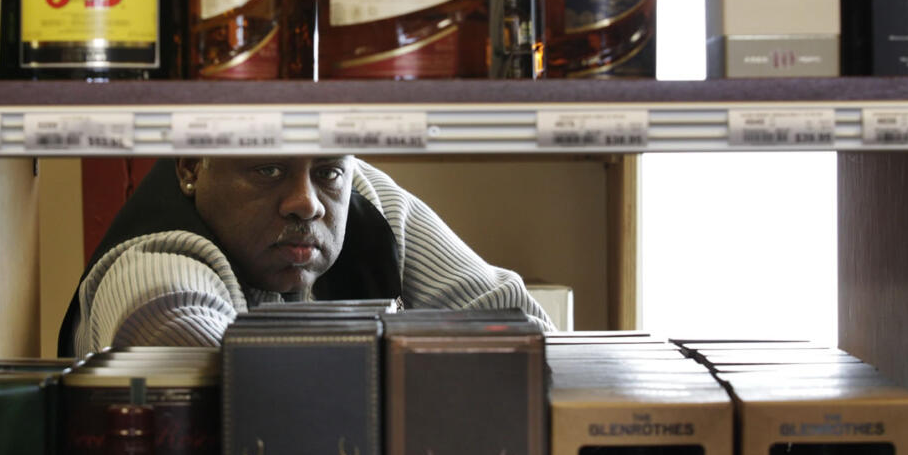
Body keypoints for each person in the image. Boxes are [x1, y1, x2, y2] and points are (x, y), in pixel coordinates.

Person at [59, 156, 553, 356]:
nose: (307, 202)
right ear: (192, 167)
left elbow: (523, 329)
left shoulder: (354, 191)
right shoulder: (156, 256)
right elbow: (204, 359)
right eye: (268, 168)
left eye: (326, 171)